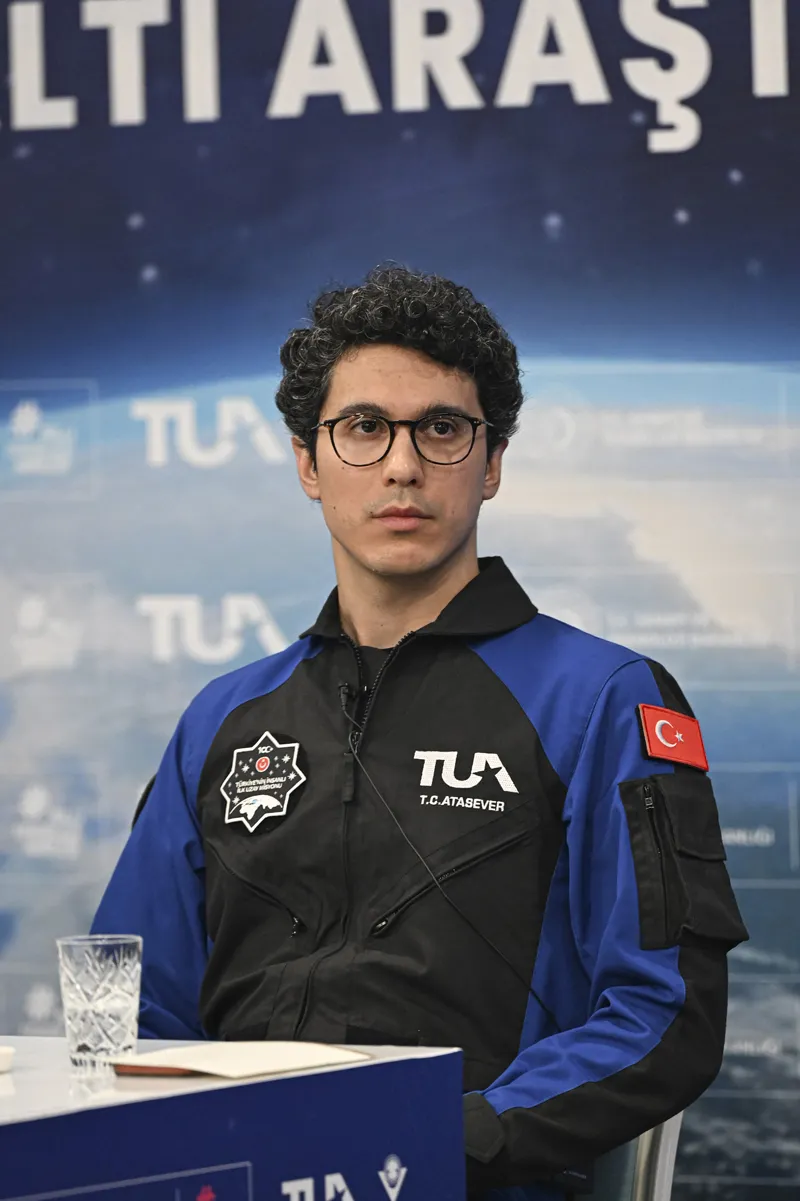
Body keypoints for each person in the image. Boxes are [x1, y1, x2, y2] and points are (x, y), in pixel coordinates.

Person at [93, 266, 748, 1199]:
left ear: (492, 462)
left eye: (441, 428)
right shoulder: (221, 718)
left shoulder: (605, 697)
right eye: (364, 427)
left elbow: (662, 1012)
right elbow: (129, 1004)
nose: (402, 465)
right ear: (308, 463)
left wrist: (437, 1140)